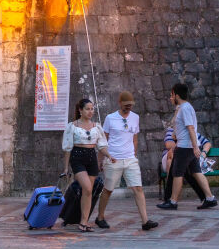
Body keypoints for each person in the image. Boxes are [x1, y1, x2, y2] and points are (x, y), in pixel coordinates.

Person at [94, 92, 158, 231]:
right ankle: (100, 217)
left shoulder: (135, 117)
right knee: (108, 189)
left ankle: (145, 220)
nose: (129, 107)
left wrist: (133, 154)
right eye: (126, 105)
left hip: (130, 159)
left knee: (138, 188)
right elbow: (103, 141)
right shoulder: (110, 118)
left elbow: (135, 138)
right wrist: (100, 160)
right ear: (120, 103)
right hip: (113, 158)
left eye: (131, 105)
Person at [156, 83, 217, 210]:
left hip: (185, 147)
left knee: (177, 174)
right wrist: (174, 133)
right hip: (188, 146)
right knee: (196, 172)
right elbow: (179, 125)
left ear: (177, 95)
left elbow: (190, 128)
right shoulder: (181, 108)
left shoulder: (185, 108)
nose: (170, 97)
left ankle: (173, 202)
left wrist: (195, 147)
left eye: (172, 95)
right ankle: (210, 198)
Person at [62, 98, 109, 232]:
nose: (90, 111)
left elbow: (102, 145)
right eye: (87, 109)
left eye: (92, 109)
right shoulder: (73, 126)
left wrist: (109, 155)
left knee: (88, 192)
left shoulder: (97, 126)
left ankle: (84, 221)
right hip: (77, 157)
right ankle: (82, 220)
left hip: (91, 158)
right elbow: (67, 148)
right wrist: (66, 167)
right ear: (80, 110)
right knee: (87, 188)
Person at [161, 107, 212, 204]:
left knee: (185, 166)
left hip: (185, 158)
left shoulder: (193, 132)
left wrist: (204, 152)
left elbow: (207, 143)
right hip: (172, 157)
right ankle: (208, 197)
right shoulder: (173, 130)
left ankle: (172, 200)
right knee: (172, 157)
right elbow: (168, 145)